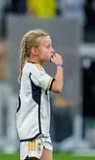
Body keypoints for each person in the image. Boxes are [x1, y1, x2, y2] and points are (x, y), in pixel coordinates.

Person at [16, 29, 64, 160]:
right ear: (34, 51)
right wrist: (59, 65)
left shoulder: (36, 69)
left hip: (42, 132)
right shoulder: (33, 69)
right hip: (33, 132)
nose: (52, 50)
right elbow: (57, 87)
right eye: (48, 46)